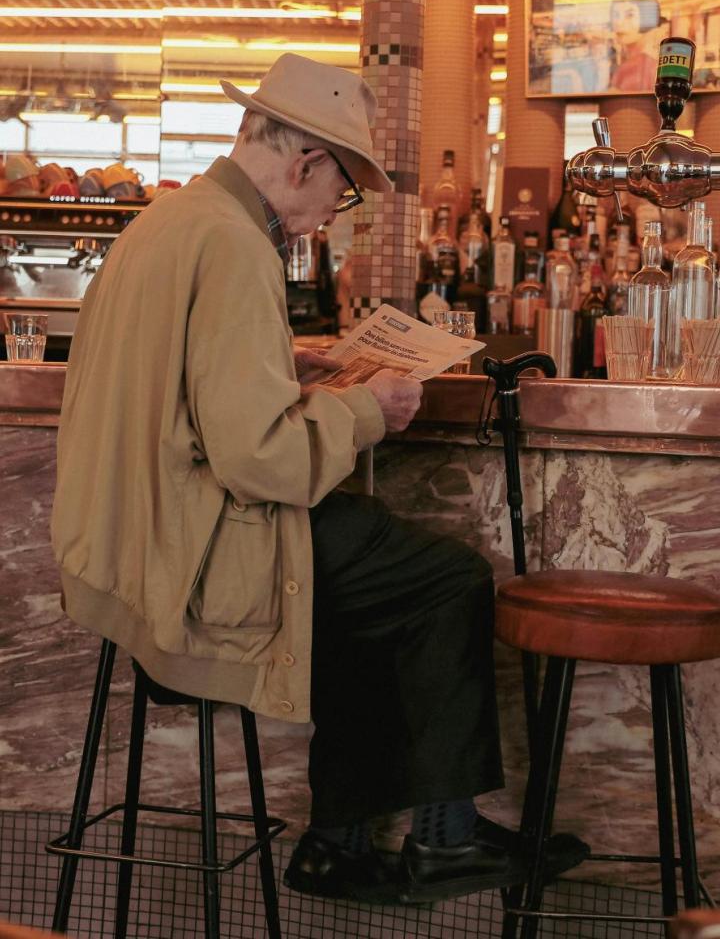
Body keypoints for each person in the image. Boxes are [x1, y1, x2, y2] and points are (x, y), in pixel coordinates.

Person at [51, 53, 588, 906]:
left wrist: (285, 366)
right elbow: (262, 461)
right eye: (341, 193)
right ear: (303, 162)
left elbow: (181, 391)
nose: (331, 216)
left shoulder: (170, 221)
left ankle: (337, 845)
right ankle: (442, 841)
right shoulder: (236, 247)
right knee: (442, 581)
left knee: (371, 578)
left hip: (128, 542)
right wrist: (369, 408)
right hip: (195, 555)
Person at [609, 0, 664, 93]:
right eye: (616, 15)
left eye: (629, 15)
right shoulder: (628, 64)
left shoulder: (642, 66)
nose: (619, 22)